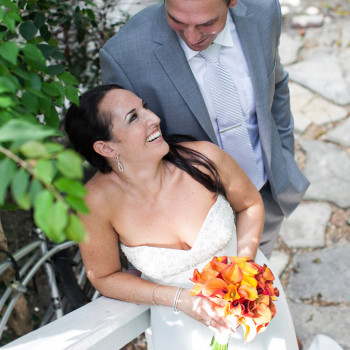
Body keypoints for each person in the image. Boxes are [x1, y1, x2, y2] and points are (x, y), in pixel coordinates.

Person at [64, 84, 299, 350]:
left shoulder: (203, 159)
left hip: (250, 301)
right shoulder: (94, 205)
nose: (154, 118)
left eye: (145, 108)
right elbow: (104, 276)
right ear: (106, 148)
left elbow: (250, 204)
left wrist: (242, 271)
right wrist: (180, 299)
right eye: (133, 117)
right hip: (179, 330)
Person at [99, 0, 310, 258]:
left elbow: (277, 84)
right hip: (194, 227)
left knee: (258, 274)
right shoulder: (125, 56)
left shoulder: (264, 11)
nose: (191, 37)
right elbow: (127, 152)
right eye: (177, 21)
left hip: (267, 194)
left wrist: (284, 154)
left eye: (207, 24)